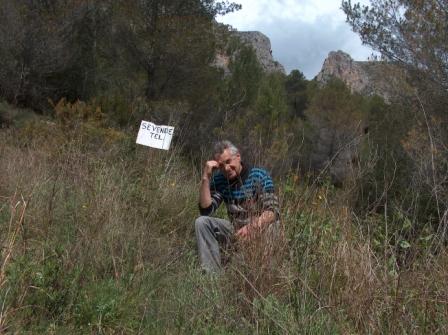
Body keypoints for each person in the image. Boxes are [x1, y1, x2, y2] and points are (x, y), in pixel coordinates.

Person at [195, 140, 280, 272]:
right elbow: (206, 210)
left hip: (259, 228)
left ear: (238, 157)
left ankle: (266, 272)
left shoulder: (259, 175)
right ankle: (211, 275)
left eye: (229, 162)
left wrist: (252, 227)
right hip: (236, 229)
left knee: (273, 227)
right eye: (221, 166)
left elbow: (273, 211)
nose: (226, 169)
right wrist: (206, 178)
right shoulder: (220, 180)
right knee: (202, 222)